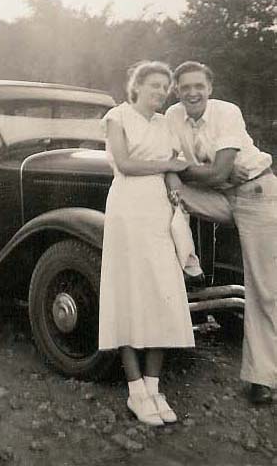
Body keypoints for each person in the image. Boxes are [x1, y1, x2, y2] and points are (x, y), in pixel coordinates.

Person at [165, 61, 277, 405]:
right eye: (185, 88)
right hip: (217, 197)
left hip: (255, 193)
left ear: (209, 88)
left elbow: (219, 172)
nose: (192, 93)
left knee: (265, 288)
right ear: (177, 91)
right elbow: (167, 162)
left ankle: (263, 378)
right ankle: (188, 268)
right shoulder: (172, 116)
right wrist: (172, 178)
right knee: (161, 199)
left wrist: (180, 171)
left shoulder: (227, 112)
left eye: (198, 86)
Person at [99, 61, 196, 426]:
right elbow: (124, 163)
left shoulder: (165, 123)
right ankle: (135, 389)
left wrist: (175, 188)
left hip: (158, 211)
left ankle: (154, 386)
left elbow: (174, 168)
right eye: (153, 85)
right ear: (136, 85)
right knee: (128, 293)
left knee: (161, 292)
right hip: (127, 209)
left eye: (164, 88)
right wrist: (167, 165)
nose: (159, 93)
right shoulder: (117, 116)